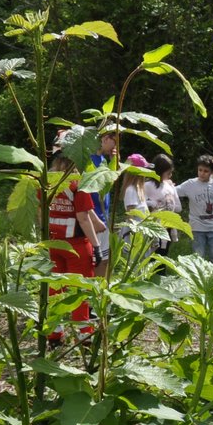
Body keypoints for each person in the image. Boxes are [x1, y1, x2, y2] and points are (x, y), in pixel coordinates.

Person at [45, 150, 104, 337]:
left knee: (55, 288)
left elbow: (41, 213)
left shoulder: (46, 183)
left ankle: (54, 333)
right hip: (76, 245)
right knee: (80, 290)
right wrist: (96, 247)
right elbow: (83, 218)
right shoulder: (78, 184)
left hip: (53, 243)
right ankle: (84, 334)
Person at [174, 154, 213, 261]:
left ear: (211, 172)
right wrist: (165, 184)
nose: (202, 173)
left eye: (206, 171)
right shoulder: (190, 184)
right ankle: (199, 277)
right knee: (198, 257)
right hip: (197, 227)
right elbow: (173, 191)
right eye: (200, 170)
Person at [90, 127, 118, 275]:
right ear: (105, 139)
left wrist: (114, 163)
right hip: (93, 220)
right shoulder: (88, 161)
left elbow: (107, 186)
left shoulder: (104, 160)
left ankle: (100, 295)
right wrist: (93, 219)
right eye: (114, 142)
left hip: (103, 218)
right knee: (94, 261)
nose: (115, 147)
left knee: (105, 260)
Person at [145, 153, 182, 258]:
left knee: (164, 256)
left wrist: (169, 203)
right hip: (154, 227)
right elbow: (140, 203)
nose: (170, 175)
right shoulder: (147, 186)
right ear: (160, 171)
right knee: (153, 256)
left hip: (168, 227)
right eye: (168, 172)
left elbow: (178, 207)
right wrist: (152, 204)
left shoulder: (169, 186)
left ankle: (161, 274)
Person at [117, 153, 152, 256]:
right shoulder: (130, 190)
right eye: (143, 171)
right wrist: (133, 235)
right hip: (135, 235)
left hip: (142, 232)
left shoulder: (139, 189)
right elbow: (130, 215)